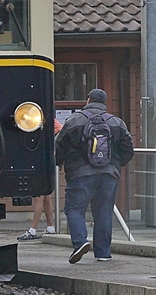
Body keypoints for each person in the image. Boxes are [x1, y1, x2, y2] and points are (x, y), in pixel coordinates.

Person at [56, 88, 134, 262]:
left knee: (74, 209)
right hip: (109, 175)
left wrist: (59, 163)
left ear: (88, 100)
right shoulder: (117, 122)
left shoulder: (74, 120)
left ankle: (80, 242)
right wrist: (115, 164)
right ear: (104, 102)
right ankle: (103, 253)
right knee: (104, 212)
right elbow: (128, 149)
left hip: (80, 174)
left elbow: (59, 146)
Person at [22, 117, 63, 240]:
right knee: (46, 197)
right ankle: (50, 227)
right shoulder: (48, 119)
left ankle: (33, 230)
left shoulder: (35, 118)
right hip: (48, 162)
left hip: (39, 161)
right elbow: (60, 131)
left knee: (39, 198)